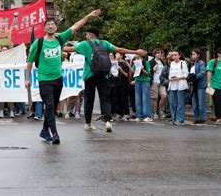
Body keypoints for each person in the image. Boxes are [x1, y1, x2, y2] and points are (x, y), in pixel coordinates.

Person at [26, 10, 102, 144]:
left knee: (53, 106)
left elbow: (75, 26)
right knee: (49, 105)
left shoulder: (60, 38)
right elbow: (30, 62)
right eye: (48, 24)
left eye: (52, 24)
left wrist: (88, 16)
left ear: (56, 28)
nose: (50, 26)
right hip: (44, 79)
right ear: (44, 28)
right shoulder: (37, 43)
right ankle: (55, 134)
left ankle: (44, 130)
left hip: (58, 79)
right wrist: (27, 79)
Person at [64, 26, 147, 133]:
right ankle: (108, 121)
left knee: (89, 99)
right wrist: (136, 52)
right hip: (104, 74)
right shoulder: (105, 43)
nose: (86, 36)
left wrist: (55, 47)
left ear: (90, 34)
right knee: (105, 98)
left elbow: (70, 49)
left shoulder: (85, 44)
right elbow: (120, 50)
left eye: (86, 34)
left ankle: (88, 123)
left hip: (89, 75)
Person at [168, 50, 189, 125]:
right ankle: (174, 118)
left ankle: (180, 119)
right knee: (173, 103)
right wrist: (170, 78)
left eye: (175, 55)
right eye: (173, 55)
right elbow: (170, 74)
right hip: (172, 85)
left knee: (180, 103)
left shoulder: (183, 63)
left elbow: (186, 75)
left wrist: (177, 78)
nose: (174, 56)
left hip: (180, 85)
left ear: (179, 55)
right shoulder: (172, 63)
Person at [133, 55, 152, 122]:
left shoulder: (146, 62)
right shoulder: (136, 62)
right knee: (138, 99)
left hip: (145, 81)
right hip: (137, 81)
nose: (137, 58)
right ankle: (139, 116)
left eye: (138, 57)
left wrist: (142, 69)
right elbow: (133, 72)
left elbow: (148, 74)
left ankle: (147, 115)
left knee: (145, 99)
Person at [112, 52, 131, 120]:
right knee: (117, 99)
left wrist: (120, 69)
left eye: (118, 54)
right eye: (116, 54)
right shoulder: (114, 63)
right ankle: (118, 113)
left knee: (124, 98)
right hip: (116, 83)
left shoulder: (124, 64)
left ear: (121, 56)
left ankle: (126, 113)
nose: (116, 55)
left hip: (123, 83)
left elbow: (127, 75)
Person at [149, 49, 167, 119]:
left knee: (164, 96)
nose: (160, 54)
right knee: (155, 98)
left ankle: (160, 110)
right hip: (154, 81)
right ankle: (154, 112)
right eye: (158, 53)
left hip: (161, 82)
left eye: (161, 53)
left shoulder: (162, 61)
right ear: (154, 54)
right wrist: (154, 68)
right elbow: (149, 72)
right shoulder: (151, 61)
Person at [191, 49, 207, 124]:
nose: (192, 55)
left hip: (200, 85)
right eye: (192, 54)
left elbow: (202, 73)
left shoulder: (201, 63)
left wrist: (194, 77)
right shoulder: (193, 63)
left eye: (194, 54)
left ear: (198, 55)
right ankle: (197, 117)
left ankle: (202, 118)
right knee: (194, 103)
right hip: (193, 85)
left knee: (201, 103)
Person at [206, 48, 221, 125]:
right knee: (217, 102)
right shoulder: (213, 62)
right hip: (215, 85)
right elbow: (209, 72)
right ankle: (219, 118)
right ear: (218, 54)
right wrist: (209, 83)